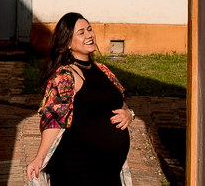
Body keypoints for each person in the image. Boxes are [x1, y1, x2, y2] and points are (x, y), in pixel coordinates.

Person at [25, 13, 135, 185]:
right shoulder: (65, 76)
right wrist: (40, 157)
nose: (89, 35)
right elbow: (53, 121)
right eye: (81, 32)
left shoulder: (104, 71)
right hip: (78, 169)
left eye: (89, 29)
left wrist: (129, 114)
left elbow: (123, 104)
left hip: (109, 172)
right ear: (68, 43)